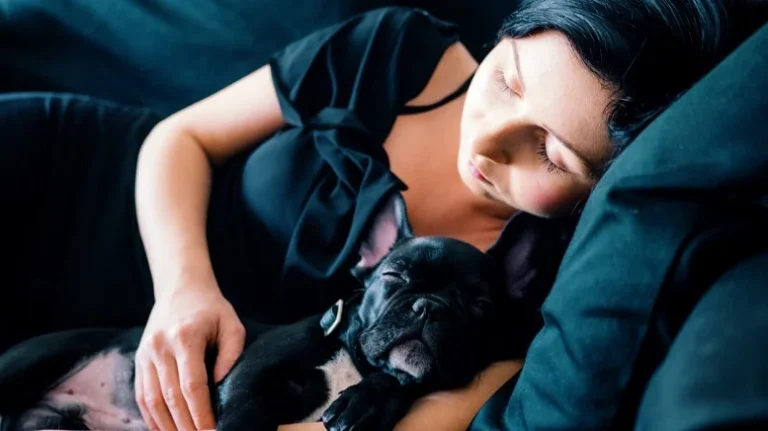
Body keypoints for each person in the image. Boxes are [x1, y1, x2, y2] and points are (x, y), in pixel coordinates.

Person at [0, 1, 764, 430]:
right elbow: (180, 137)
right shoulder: (401, 52)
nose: (489, 143)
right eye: (507, 80)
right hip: (96, 191)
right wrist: (183, 287)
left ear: (602, 185)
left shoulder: (541, 282)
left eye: (552, 153)